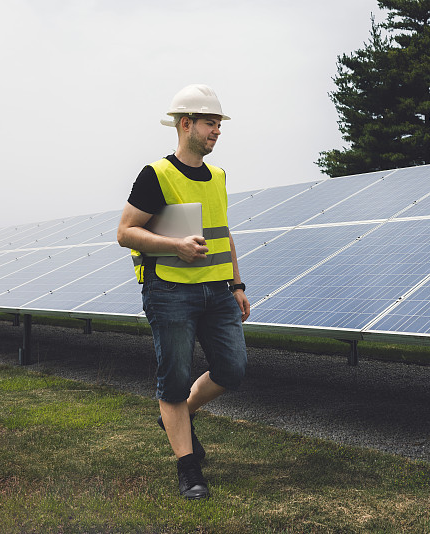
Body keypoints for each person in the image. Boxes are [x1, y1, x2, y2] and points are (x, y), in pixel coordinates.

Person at [117, 84, 249, 500]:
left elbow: (222, 232)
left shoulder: (219, 176)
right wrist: (175, 246)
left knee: (233, 369)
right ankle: (189, 470)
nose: (217, 131)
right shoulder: (157, 174)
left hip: (218, 292)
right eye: (211, 123)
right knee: (173, 380)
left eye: (218, 124)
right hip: (170, 292)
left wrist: (238, 283)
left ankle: (175, 417)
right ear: (186, 124)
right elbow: (125, 232)